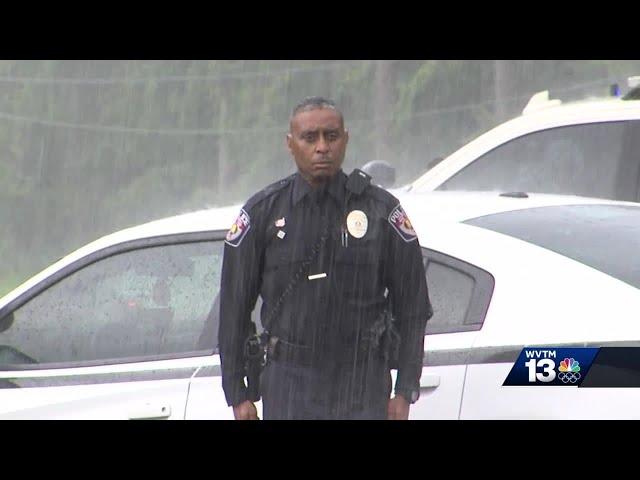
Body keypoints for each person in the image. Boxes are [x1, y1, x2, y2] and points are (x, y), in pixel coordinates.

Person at [218, 96, 432, 420]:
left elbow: (413, 307)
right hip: (290, 385)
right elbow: (233, 310)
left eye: (331, 137)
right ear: (290, 144)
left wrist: (404, 391)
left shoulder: (380, 212)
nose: (322, 147)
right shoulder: (263, 214)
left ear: (345, 139)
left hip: (362, 385)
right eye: (309, 138)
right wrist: (238, 394)